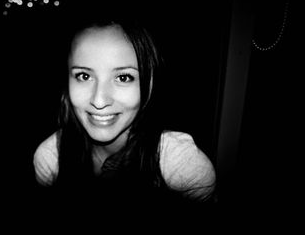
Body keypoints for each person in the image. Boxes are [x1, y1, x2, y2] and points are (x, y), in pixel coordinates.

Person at [32, 13, 216, 215]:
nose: (99, 101)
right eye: (83, 76)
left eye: (124, 77)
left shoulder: (181, 164)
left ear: (151, 83)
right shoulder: (51, 158)